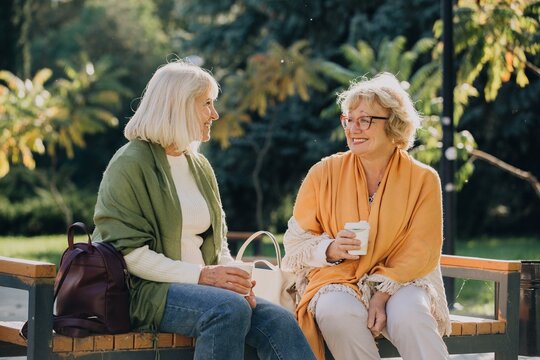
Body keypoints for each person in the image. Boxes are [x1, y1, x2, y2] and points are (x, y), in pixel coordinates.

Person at [91, 61, 315, 360]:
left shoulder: (199, 166)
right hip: (146, 292)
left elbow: (217, 242)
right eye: (207, 104)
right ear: (179, 106)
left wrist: (234, 280)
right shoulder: (130, 163)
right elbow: (128, 254)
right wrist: (203, 276)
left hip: (208, 291)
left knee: (280, 321)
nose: (215, 114)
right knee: (227, 309)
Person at [282, 72, 452, 360]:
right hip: (337, 278)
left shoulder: (424, 179)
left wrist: (383, 293)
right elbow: (296, 244)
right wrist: (331, 249)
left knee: (412, 316)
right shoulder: (323, 173)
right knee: (335, 312)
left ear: (394, 124)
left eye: (365, 120)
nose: (353, 128)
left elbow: (422, 249)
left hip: (403, 279)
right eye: (348, 119)